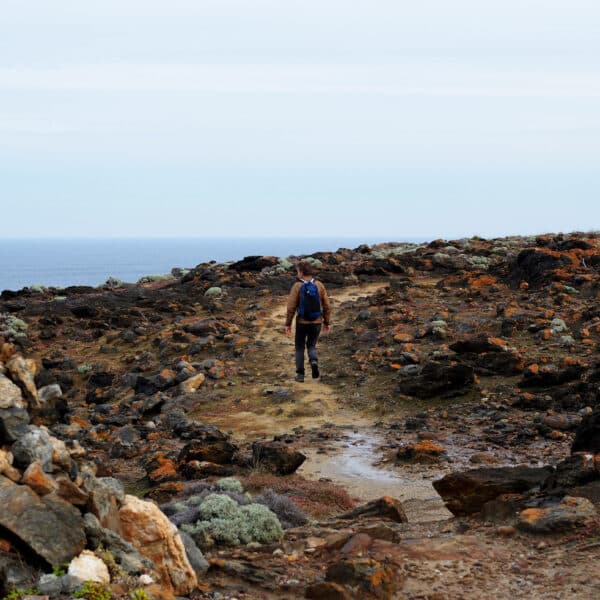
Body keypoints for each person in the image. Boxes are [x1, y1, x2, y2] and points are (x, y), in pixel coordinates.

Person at [285, 261, 331, 382]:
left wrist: (288, 324)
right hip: (317, 322)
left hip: (302, 322)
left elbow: (291, 307)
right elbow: (327, 305)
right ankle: (314, 361)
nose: (297, 273)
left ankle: (300, 375)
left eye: (297, 271)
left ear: (301, 272)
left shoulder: (297, 286)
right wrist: (327, 322)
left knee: (299, 347)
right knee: (311, 345)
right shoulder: (319, 285)